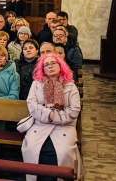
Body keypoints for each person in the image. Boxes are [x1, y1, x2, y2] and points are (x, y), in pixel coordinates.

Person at [22, 53, 82, 181]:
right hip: (40, 125)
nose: (50, 66)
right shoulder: (36, 84)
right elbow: (32, 105)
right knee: (32, 148)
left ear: (61, 66)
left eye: (53, 63)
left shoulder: (70, 86)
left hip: (64, 127)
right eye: (46, 65)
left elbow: (74, 110)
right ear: (42, 69)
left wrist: (54, 116)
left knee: (63, 151)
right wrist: (48, 114)